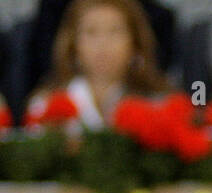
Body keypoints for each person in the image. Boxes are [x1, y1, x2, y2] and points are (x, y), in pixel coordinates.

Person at [26, 0, 172, 130]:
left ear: (135, 43)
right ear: (73, 45)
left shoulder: (158, 105)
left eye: (114, 31)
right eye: (91, 32)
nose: (103, 44)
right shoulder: (44, 107)